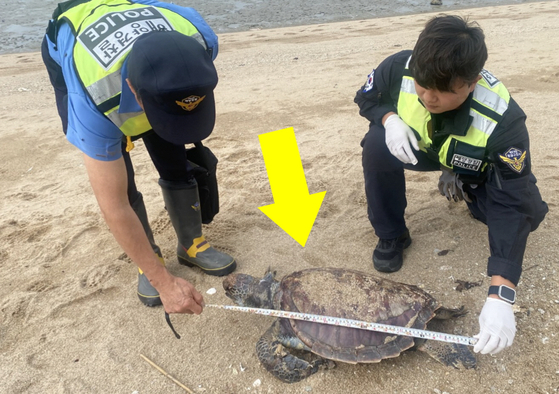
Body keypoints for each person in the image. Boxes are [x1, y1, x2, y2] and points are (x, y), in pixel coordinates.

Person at [355, 15, 548, 355]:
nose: (430, 97)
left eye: (445, 91)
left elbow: (513, 199)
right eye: (423, 84)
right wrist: (389, 120)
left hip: (474, 163)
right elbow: (366, 97)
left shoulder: (504, 121)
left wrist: (501, 293)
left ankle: (472, 193)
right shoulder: (401, 66)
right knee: (375, 146)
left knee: (528, 209)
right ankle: (392, 234)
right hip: (419, 146)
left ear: (472, 82)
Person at [42, 0, 237, 314]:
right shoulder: (92, 95)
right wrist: (163, 282)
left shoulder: (198, 35)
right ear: (131, 88)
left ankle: (191, 244)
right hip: (74, 48)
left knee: (171, 147)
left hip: (126, 24)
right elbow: (114, 205)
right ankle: (150, 261)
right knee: (122, 180)